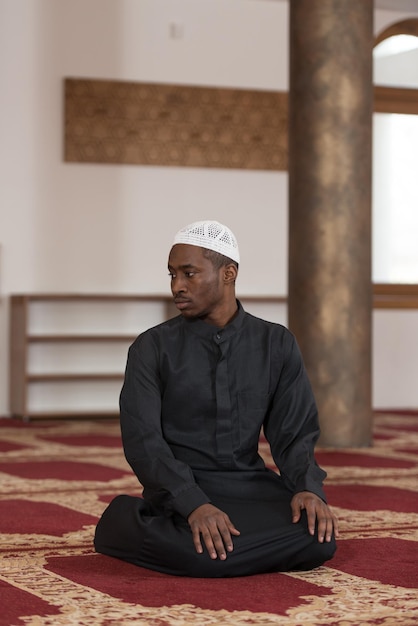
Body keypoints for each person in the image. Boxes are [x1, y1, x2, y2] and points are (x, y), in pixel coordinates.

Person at [94, 220, 338, 577]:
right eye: (172, 275)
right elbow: (144, 441)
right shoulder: (152, 348)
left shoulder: (275, 343)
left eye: (189, 274)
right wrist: (193, 505)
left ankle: (211, 547)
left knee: (319, 539)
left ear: (228, 273)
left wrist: (307, 488)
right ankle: (123, 521)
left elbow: (294, 430)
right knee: (200, 555)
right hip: (180, 487)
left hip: (247, 485)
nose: (177, 286)